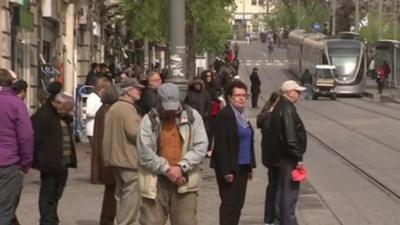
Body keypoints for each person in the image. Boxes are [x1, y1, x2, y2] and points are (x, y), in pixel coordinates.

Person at [137, 83, 208, 225]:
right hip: (155, 181)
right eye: (167, 107)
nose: (171, 111)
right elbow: (144, 152)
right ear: (159, 102)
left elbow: (201, 146)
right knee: (151, 221)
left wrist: (181, 167)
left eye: (174, 107)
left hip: (185, 180)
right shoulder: (148, 120)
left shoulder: (192, 116)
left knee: (186, 222)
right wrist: (168, 169)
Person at [210, 80, 256, 225]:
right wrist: (226, 171)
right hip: (230, 168)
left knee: (238, 205)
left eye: (244, 95)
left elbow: (249, 141)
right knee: (229, 206)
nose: (241, 98)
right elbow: (221, 146)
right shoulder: (226, 115)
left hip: (242, 166)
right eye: (238, 95)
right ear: (230, 97)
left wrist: (250, 167)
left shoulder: (242, 115)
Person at [264, 80, 307, 225]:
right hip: (288, 157)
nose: (299, 94)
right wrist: (298, 157)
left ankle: (279, 219)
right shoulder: (287, 109)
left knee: (281, 190)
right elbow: (290, 137)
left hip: (280, 157)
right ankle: (288, 221)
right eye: (297, 91)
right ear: (289, 93)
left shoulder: (280, 107)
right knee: (289, 193)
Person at [102, 78, 144, 225]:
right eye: (137, 88)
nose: (140, 91)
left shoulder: (115, 107)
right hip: (127, 158)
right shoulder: (127, 108)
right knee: (131, 195)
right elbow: (135, 133)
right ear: (128, 90)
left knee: (121, 194)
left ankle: (123, 221)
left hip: (116, 157)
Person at [31, 92, 77, 225]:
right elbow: (34, 139)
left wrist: (67, 114)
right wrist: (37, 159)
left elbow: (67, 121)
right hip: (50, 162)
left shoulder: (61, 115)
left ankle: (52, 218)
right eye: (67, 108)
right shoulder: (43, 116)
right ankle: (47, 220)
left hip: (63, 162)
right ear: (57, 104)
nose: (69, 112)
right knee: (48, 194)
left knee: (57, 193)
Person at [0, 69, 33, 225]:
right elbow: (26, 136)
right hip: (9, 162)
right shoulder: (16, 104)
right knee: (5, 211)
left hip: (8, 159)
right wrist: (25, 163)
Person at [91, 85, 120, 225]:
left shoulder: (103, 110)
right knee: (111, 193)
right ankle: (107, 221)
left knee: (111, 193)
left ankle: (107, 220)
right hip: (109, 158)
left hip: (106, 157)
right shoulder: (109, 111)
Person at [256, 91, 281, 225]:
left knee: (273, 186)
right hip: (275, 159)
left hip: (270, 158)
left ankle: (270, 217)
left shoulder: (266, 115)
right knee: (276, 188)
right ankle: (273, 217)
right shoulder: (270, 116)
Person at [86, 77, 112, 153]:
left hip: (100, 128)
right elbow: (89, 112)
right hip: (93, 129)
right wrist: (103, 111)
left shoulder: (102, 97)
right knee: (97, 153)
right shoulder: (92, 97)